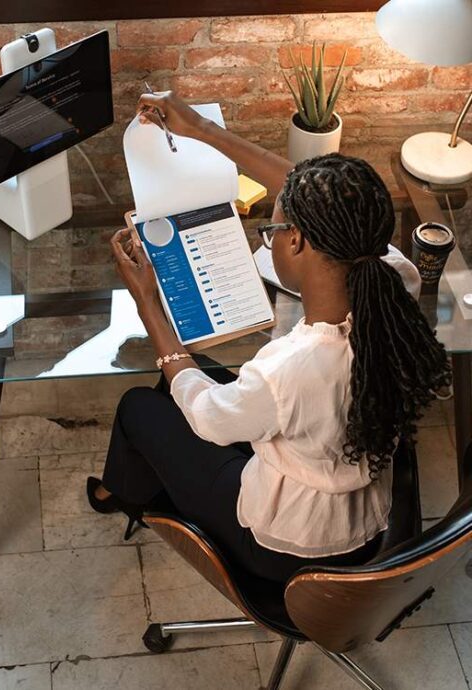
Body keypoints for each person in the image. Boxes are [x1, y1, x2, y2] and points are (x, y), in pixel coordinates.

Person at [87, 91, 451, 582]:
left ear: (297, 240)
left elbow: (208, 419)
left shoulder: (290, 368)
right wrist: (200, 128)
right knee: (187, 383)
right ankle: (130, 482)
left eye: (274, 229)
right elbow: (312, 196)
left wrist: (148, 303)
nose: (272, 234)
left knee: (139, 406)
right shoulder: (396, 277)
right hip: (364, 508)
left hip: (288, 545)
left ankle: (122, 493)